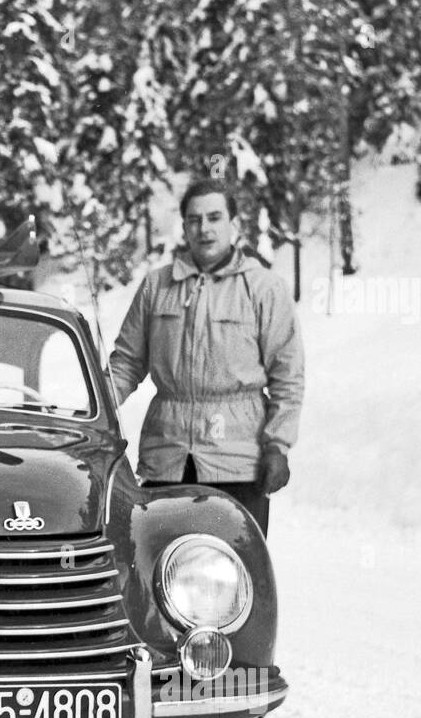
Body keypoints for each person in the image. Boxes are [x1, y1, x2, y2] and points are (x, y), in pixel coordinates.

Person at [107, 179, 304, 536]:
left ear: (235, 224)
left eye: (215, 217)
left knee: (234, 576)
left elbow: (288, 377)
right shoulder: (157, 286)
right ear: (184, 227)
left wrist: (278, 445)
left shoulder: (263, 288)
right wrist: (96, 408)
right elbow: (125, 364)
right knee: (158, 570)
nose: (205, 228)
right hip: (166, 460)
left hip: (238, 465)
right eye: (195, 219)